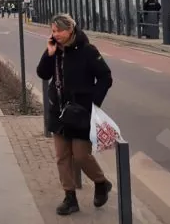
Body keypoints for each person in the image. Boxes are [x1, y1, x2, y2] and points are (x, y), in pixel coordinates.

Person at [36, 13, 113, 216]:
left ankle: (101, 182)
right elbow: (43, 73)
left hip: (80, 113)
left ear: (70, 30)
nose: (55, 35)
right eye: (53, 31)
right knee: (62, 156)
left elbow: (105, 77)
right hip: (59, 112)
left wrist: (92, 103)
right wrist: (49, 53)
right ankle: (70, 198)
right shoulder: (55, 51)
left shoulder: (87, 51)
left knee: (80, 155)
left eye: (58, 31)